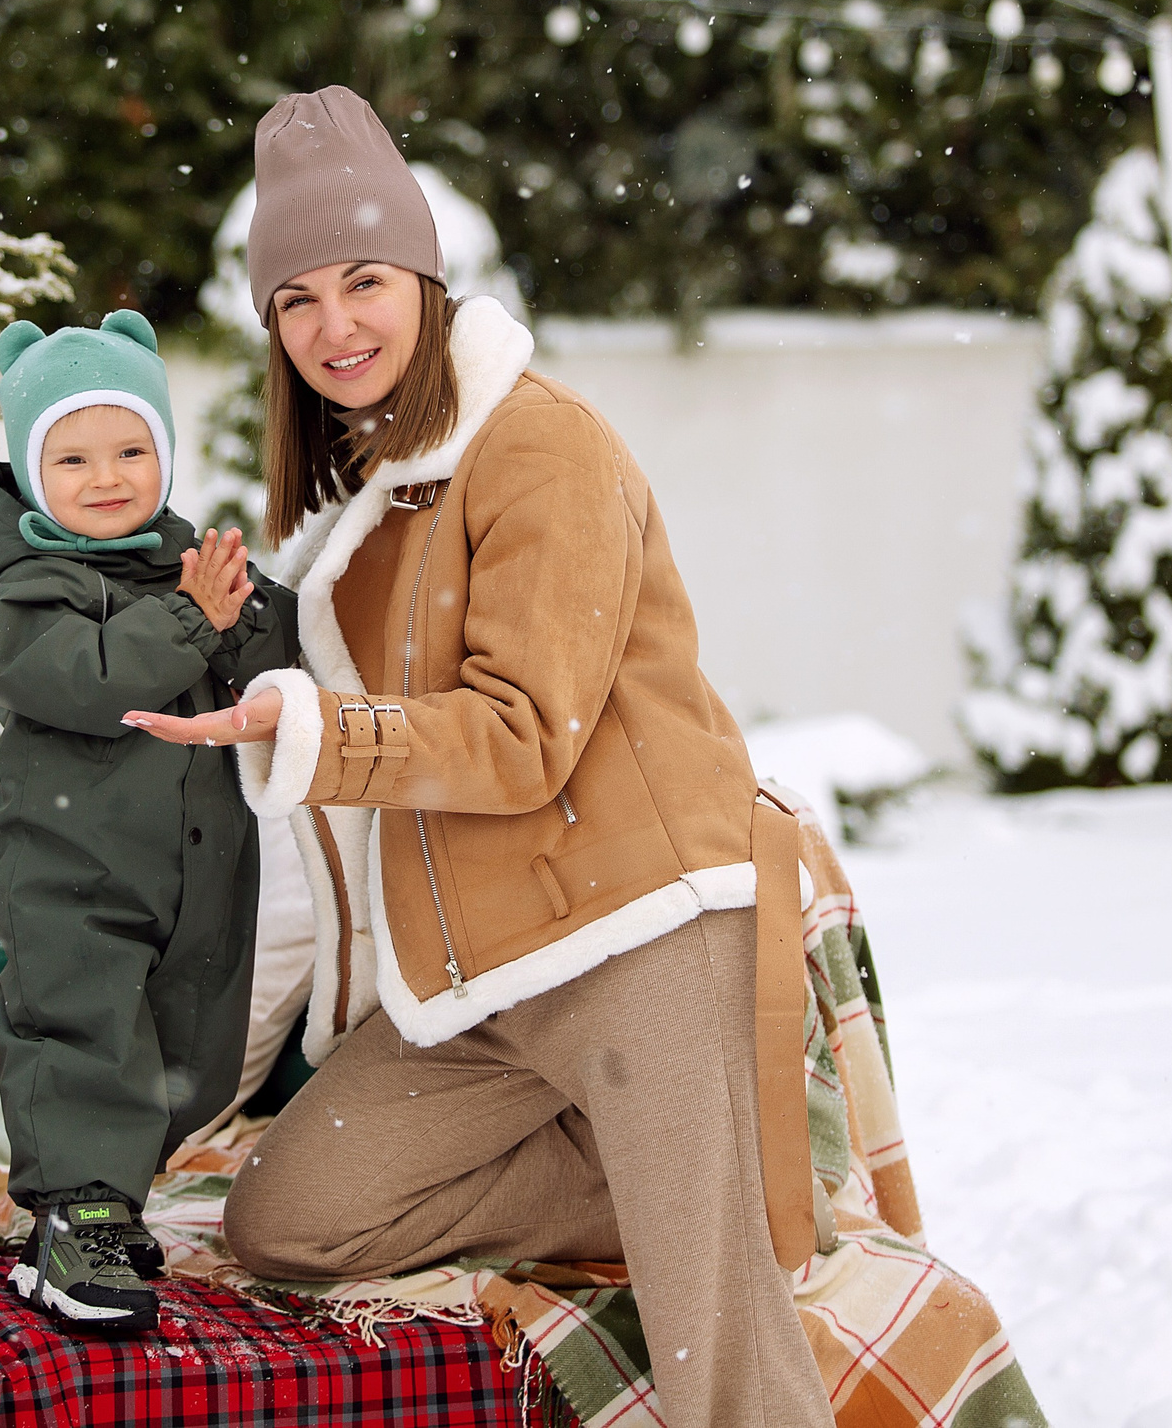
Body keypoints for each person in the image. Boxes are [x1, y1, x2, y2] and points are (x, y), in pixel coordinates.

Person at [123, 88, 834, 1426]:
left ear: (427, 280)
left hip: (636, 928)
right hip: (483, 977)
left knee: (720, 1360)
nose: (337, 324)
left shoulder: (540, 446)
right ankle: (674, 1165)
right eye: (299, 300)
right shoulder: (375, 494)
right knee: (294, 1216)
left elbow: (524, 736)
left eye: (366, 280)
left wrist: (318, 732)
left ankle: (699, 1180)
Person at [0, 308, 299, 1334]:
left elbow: (267, 665)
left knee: (177, 1049)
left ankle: (112, 1199)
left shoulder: (183, 568)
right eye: (71, 456)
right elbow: (92, 679)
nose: (105, 476)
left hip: (190, 874)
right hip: (69, 871)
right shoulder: (24, 594)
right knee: (81, 1038)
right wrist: (194, 617)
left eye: (130, 449)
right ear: (29, 468)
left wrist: (250, 612)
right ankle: (76, 1215)